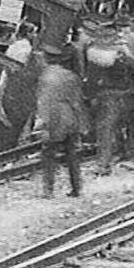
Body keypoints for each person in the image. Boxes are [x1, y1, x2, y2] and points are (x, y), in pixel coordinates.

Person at [82, 17, 134, 175]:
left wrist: (88, 97)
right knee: (131, 126)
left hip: (105, 97)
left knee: (106, 130)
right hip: (127, 95)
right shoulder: (124, 54)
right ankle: (132, 153)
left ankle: (104, 164)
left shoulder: (92, 55)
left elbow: (90, 79)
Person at [34, 45, 87, 197]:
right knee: (71, 154)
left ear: (46, 59)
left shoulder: (44, 77)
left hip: (53, 118)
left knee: (49, 154)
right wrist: (82, 123)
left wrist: (41, 122)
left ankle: (48, 190)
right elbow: (77, 102)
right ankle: (76, 188)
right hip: (69, 117)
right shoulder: (71, 76)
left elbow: (43, 101)